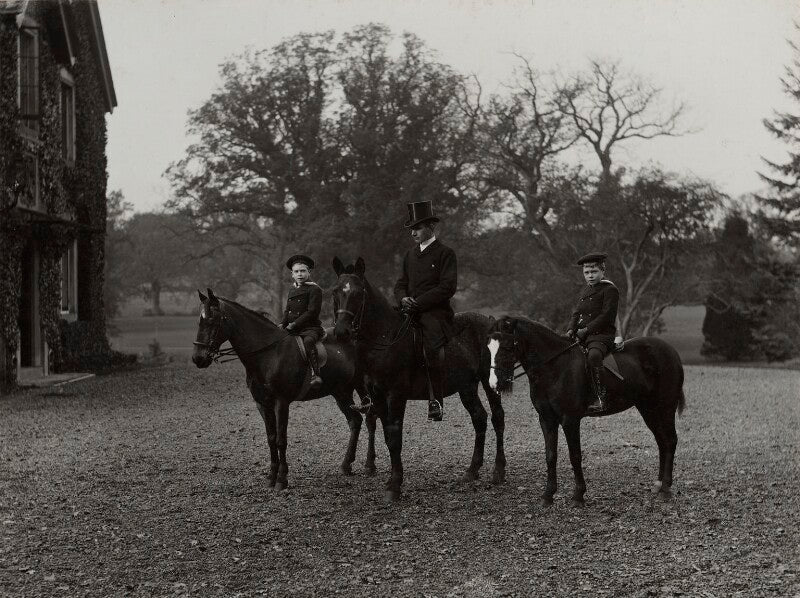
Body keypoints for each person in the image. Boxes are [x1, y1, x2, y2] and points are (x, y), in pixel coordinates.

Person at [393, 201, 457, 422]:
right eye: (411, 229)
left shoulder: (445, 253)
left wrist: (418, 303)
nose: (413, 233)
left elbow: (447, 287)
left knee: (432, 346)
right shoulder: (409, 255)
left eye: (417, 228)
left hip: (434, 312)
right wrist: (403, 298)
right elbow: (400, 284)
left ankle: (435, 400)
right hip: (408, 309)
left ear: (431, 226)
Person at [566, 252, 620, 413]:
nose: (590, 276)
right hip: (583, 335)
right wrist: (570, 329)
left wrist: (586, 330)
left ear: (603, 271)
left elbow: (607, 316)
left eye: (594, 272)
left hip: (602, 335)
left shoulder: (610, 290)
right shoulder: (586, 291)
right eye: (587, 273)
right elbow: (576, 313)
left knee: (594, 356)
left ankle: (600, 397)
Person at [280, 254, 324, 388]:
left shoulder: (315, 289)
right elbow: (287, 310)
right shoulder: (292, 289)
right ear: (292, 274)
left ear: (309, 272)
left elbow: (312, 312)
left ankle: (315, 374)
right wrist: (283, 323)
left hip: (310, 328)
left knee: (308, 342)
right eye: (296, 271)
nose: (300, 274)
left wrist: (294, 324)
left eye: (303, 271)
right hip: (292, 327)